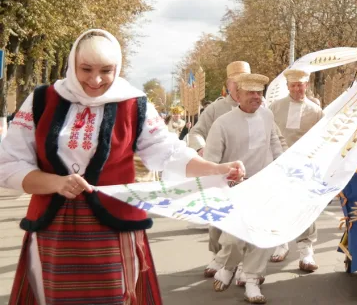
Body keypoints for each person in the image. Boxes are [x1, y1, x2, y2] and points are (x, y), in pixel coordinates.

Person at [0, 29, 245, 304]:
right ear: (72, 64)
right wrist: (57, 183)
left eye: (106, 70)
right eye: (86, 69)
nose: (95, 79)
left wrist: (215, 168)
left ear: (118, 68)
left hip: (113, 225)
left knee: (115, 297)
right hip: (54, 224)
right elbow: (9, 164)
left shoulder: (133, 103)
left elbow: (168, 152)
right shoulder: (42, 100)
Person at [204, 73, 283, 304]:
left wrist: (283, 169)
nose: (256, 97)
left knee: (262, 236)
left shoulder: (268, 116)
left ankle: (251, 280)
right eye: (251, 93)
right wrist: (221, 183)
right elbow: (210, 161)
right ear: (238, 95)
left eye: (260, 93)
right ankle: (227, 267)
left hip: (265, 184)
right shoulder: (223, 123)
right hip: (235, 187)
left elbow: (274, 143)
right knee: (235, 238)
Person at [189, 60, 252, 277]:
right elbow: (195, 132)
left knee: (244, 219)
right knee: (217, 220)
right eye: (237, 82)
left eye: (245, 81)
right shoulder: (216, 109)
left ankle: (241, 262)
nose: (241, 86)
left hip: (249, 173)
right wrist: (202, 149)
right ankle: (217, 256)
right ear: (229, 84)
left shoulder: (259, 107)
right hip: (221, 173)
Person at [269, 68, 324, 271]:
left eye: (300, 85)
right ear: (288, 87)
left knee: (305, 207)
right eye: (293, 85)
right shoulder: (274, 108)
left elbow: (321, 141)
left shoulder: (316, 111)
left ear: (306, 85)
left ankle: (306, 251)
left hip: (304, 167)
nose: (297, 88)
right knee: (278, 205)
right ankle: (280, 244)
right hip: (278, 164)